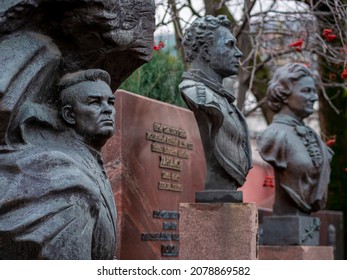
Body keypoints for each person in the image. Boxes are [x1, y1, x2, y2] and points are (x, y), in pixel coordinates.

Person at [0, 69, 117, 259]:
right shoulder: (60, 173)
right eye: (95, 102)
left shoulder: (90, 162)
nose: (107, 109)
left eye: (111, 102)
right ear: (69, 115)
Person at [179, 15, 252, 202]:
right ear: (205, 51)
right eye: (229, 45)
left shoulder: (225, 101)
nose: (239, 53)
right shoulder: (195, 93)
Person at [257, 63, 333, 215]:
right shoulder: (274, 136)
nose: (314, 97)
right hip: (286, 216)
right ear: (283, 94)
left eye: (314, 91)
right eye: (306, 91)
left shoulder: (313, 136)